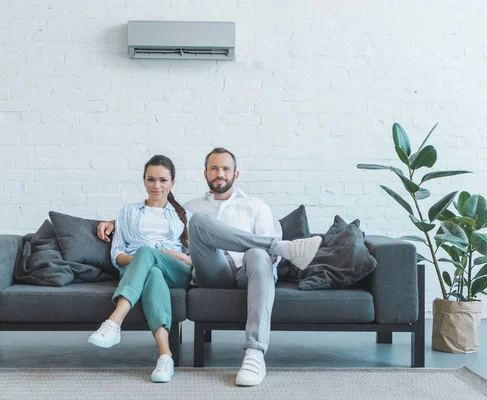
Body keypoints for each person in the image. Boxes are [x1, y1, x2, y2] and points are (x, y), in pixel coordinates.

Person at [97, 148, 321, 386]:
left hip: (249, 271)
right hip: (213, 273)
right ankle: (282, 246)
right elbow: (158, 211)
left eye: (226, 169)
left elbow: (265, 261)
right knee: (201, 221)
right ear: (205, 173)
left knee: (258, 253)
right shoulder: (189, 209)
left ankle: (255, 353)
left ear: (236, 174)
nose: (220, 174)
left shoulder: (256, 206)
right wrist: (116, 222)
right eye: (214, 168)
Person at [88, 155, 193, 384]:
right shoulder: (127, 212)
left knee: (149, 255)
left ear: (172, 183)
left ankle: (115, 322)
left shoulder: (184, 216)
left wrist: (179, 256)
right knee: (151, 270)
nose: (157, 186)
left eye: (163, 180)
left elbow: (196, 259)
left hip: (174, 268)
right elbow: (117, 256)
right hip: (138, 269)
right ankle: (165, 356)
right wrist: (143, 258)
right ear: (144, 181)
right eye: (151, 179)